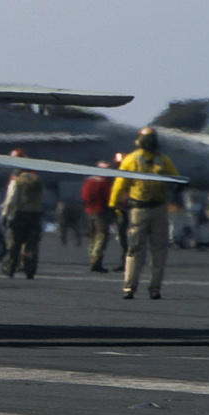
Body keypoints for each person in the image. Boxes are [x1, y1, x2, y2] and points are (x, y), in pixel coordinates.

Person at [109, 127, 180, 300]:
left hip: (150, 210)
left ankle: (142, 288)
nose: (149, 142)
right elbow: (120, 183)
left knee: (145, 250)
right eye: (147, 138)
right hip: (145, 210)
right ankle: (140, 288)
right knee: (146, 250)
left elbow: (119, 184)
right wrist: (114, 205)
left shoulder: (153, 160)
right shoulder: (154, 160)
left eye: (151, 138)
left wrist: (114, 205)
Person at [1, 156, 45, 279]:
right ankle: (30, 270)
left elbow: (11, 199)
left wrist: (5, 214)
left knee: (14, 243)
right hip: (35, 215)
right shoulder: (38, 180)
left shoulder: (17, 181)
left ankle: (10, 268)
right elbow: (42, 196)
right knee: (31, 244)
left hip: (20, 214)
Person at [82, 161, 115, 273]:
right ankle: (96, 260)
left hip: (89, 211)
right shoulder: (104, 181)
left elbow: (84, 196)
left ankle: (92, 258)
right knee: (101, 237)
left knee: (92, 237)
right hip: (101, 212)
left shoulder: (90, 180)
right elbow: (108, 197)